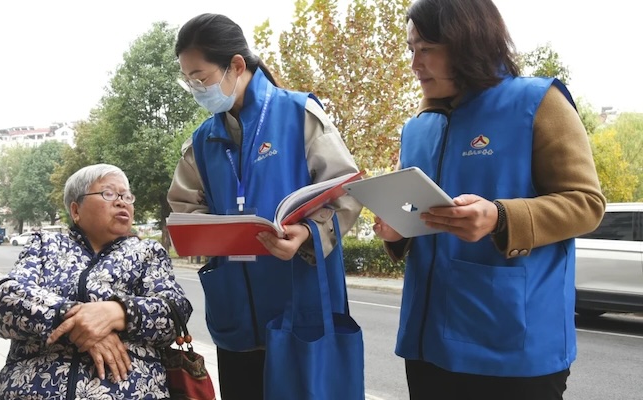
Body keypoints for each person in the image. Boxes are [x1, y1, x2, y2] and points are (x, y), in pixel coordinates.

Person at [371, 1, 607, 399]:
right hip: (428, 346)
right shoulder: (416, 128)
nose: (415, 63)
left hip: (514, 350)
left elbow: (586, 203)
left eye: (426, 48)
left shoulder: (538, 103)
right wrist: (396, 230)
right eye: (411, 49)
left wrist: (500, 216)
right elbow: (417, 214)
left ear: (468, 42)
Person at [168, 13, 362, 400]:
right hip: (235, 311)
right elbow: (182, 209)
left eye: (201, 77)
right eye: (187, 80)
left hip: (298, 300)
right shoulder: (202, 141)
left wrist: (308, 232)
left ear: (236, 65)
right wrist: (210, 234)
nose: (195, 88)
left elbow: (348, 192)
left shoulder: (299, 115)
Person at [0, 164, 191, 399]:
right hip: (34, 387)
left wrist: (118, 312)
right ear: (76, 210)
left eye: (126, 196)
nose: (121, 202)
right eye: (108, 194)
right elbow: (5, 300)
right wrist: (77, 320)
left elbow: (175, 311)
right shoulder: (45, 244)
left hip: (128, 388)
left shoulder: (147, 252)